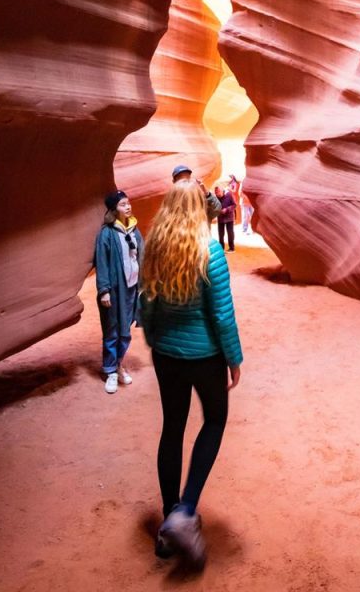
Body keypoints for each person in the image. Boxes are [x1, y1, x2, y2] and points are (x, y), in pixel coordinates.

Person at [139, 179, 243, 570]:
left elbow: (145, 303)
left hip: (168, 355)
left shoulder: (155, 249)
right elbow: (222, 314)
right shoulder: (210, 251)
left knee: (173, 427)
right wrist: (233, 358)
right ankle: (185, 510)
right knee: (214, 420)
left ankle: (168, 524)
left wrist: (154, 338)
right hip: (205, 357)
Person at [94, 189, 144, 394]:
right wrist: (104, 290)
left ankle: (119, 364)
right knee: (112, 330)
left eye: (129, 203)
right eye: (123, 204)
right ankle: (110, 371)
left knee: (125, 331)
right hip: (115, 290)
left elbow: (142, 256)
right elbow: (102, 263)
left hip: (132, 287)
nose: (128, 206)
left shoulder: (134, 230)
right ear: (114, 209)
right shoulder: (107, 233)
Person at [214, 184, 236, 252]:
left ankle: (232, 248)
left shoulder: (229, 195)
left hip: (229, 218)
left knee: (230, 233)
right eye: (216, 192)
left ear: (222, 190)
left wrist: (227, 209)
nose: (217, 194)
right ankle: (221, 248)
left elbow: (234, 205)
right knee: (220, 234)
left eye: (218, 192)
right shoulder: (216, 198)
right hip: (220, 218)